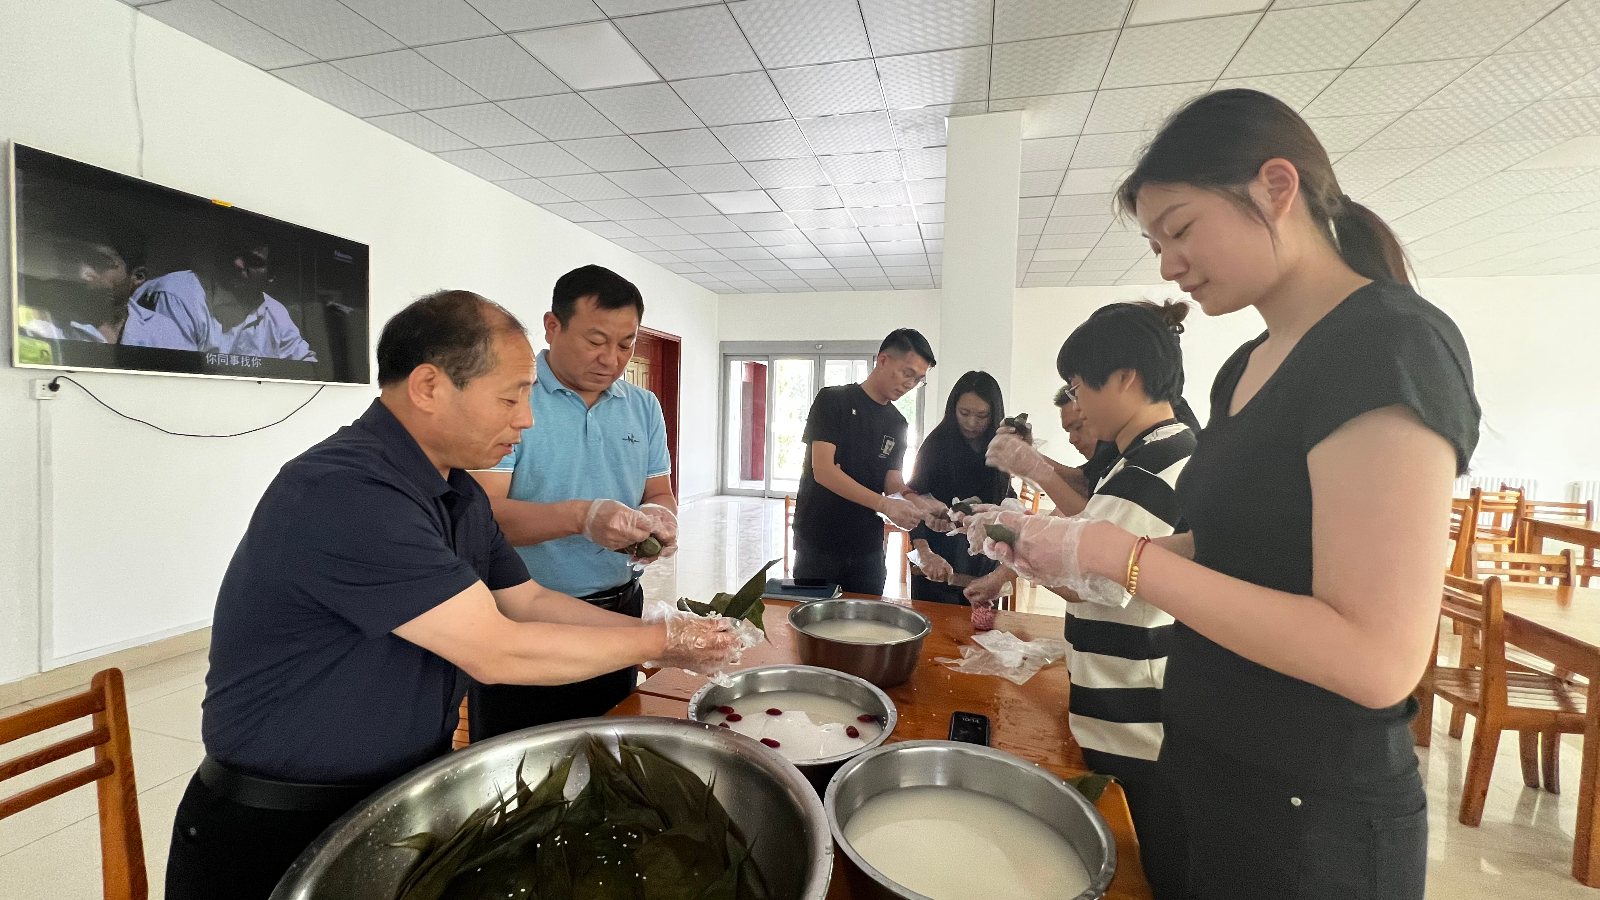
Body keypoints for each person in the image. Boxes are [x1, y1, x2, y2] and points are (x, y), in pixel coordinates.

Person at [967, 89, 1480, 899]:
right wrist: (1067, 549)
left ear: (1276, 187)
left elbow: (1376, 659)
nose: (1168, 264)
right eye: (1156, 243)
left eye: (1180, 229)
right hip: (1205, 761)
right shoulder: (1245, 366)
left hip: (1308, 811)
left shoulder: (1386, 345)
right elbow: (1231, 547)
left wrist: (1123, 556)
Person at [165, 291, 741, 900]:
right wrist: (660, 641)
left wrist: (666, 637)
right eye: (511, 397)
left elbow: (526, 602)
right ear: (428, 387)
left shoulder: (458, 493)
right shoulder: (346, 490)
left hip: (400, 794)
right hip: (282, 822)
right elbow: (497, 649)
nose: (526, 419)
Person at [985, 300, 1199, 900]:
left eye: (1080, 388)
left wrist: (1003, 535)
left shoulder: (1154, 464)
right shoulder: (1144, 452)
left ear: (1125, 378)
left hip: (1139, 721)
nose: (1076, 405)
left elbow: (1093, 580)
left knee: (1144, 871)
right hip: (1122, 705)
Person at [469, 265, 677, 740]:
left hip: (618, 608)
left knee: (607, 743)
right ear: (552, 326)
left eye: (625, 344)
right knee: (521, 755)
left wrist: (660, 516)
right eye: (595, 340)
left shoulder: (643, 406)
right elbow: (483, 518)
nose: (611, 359)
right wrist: (581, 518)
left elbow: (658, 491)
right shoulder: (511, 397)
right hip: (523, 614)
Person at [792, 328, 937, 595]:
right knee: (815, 616)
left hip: (867, 544)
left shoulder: (897, 422)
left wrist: (915, 501)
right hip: (820, 538)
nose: (910, 384)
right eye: (907, 373)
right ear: (883, 360)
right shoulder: (833, 401)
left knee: (867, 617)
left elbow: (892, 481)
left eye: (918, 379)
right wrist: (884, 505)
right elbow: (824, 471)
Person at [903, 370, 1012, 605]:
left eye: (982, 415)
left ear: (994, 414)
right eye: (964, 413)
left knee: (980, 623)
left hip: (983, 559)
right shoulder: (936, 445)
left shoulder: (1001, 449)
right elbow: (913, 497)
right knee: (935, 623)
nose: (971, 423)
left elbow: (1004, 501)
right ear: (953, 409)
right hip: (937, 561)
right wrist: (924, 552)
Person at [209, 234, 319, 361]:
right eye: (238, 255)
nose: (238, 263)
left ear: (270, 275)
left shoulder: (276, 312)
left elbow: (306, 361)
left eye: (253, 261)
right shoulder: (198, 297)